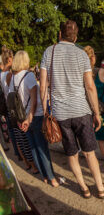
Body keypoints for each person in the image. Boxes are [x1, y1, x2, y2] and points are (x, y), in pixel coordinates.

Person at [39, 20, 104, 199]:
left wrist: (46, 112)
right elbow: (90, 87)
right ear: (76, 37)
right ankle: (100, 188)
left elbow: (43, 87)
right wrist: (96, 112)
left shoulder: (49, 52)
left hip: (60, 114)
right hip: (81, 111)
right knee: (89, 152)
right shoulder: (81, 54)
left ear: (60, 34)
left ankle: (84, 188)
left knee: (71, 153)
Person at [10, 51, 59, 187]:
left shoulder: (13, 78)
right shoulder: (28, 76)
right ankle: (51, 178)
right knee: (42, 147)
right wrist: (30, 117)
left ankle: (44, 176)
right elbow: (34, 101)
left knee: (33, 147)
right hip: (34, 116)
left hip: (22, 117)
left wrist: (21, 119)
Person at [0, 47, 19, 158]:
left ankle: (17, 152)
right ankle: (20, 152)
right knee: (16, 130)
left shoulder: (1, 73)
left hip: (7, 103)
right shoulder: (9, 74)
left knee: (11, 129)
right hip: (12, 103)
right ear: (9, 59)